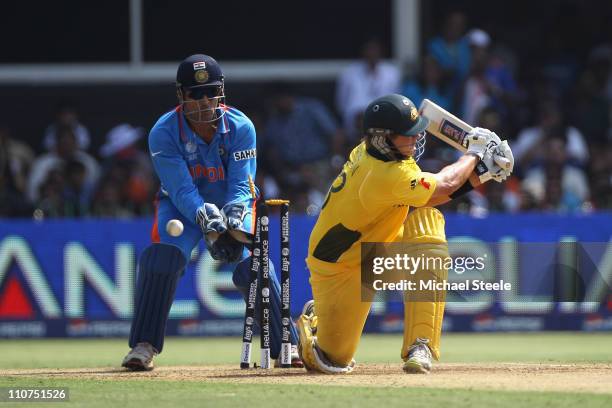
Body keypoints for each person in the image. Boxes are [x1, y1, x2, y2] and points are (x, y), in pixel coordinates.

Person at [296, 94, 513, 374]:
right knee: (331, 360)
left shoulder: (384, 154)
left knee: (429, 230)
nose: (415, 139)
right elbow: (445, 183)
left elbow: (431, 196)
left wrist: (482, 171)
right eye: (406, 135)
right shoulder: (384, 174)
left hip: (376, 247)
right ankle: (316, 322)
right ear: (381, 138)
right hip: (340, 266)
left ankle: (419, 346)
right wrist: (474, 154)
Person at [121, 54, 301, 371]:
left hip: (233, 204)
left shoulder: (241, 126)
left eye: (211, 92)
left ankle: (286, 344)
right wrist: (205, 218)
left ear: (221, 91)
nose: (205, 102)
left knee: (253, 263)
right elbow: (180, 190)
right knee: (164, 258)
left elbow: (242, 186)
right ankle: (144, 345)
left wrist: (232, 218)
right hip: (180, 207)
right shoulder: (163, 132)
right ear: (181, 95)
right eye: (196, 95)